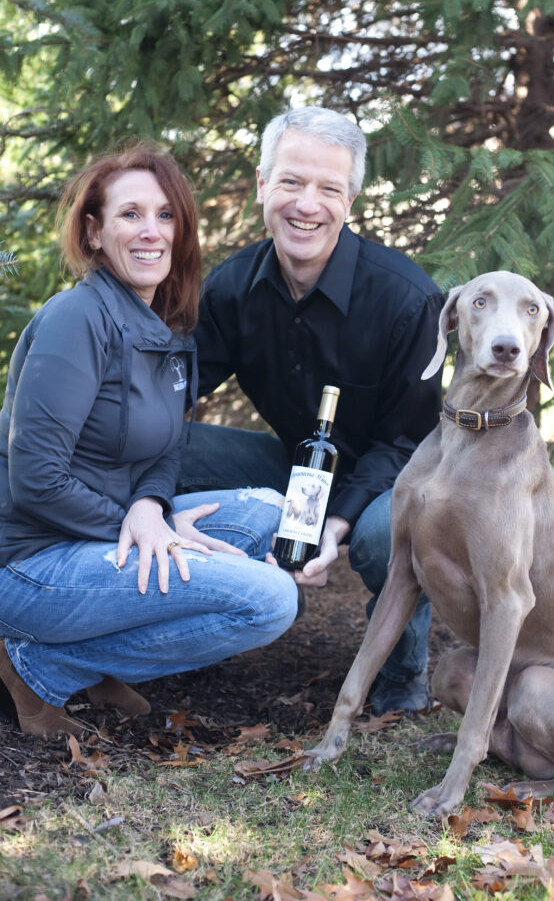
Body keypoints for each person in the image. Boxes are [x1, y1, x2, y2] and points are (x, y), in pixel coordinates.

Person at [0, 143, 299, 738]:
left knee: (271, 510)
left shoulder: (164, 330)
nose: (151, 232)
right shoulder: (75, 320)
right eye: (130, 215)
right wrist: (133, 527)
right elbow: (35, 477)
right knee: (271, 600)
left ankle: (87, 656)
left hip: (107, 535)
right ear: (93, 233)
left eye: (165, 216)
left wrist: (150, 507)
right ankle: (39, 662)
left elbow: (166, 452)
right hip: (30, 564)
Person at [178, 107, 444, 714]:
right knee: (166, 449)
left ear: (350, 200)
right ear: (261, 185)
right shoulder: (231, 287)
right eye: (292, 182)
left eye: (329, 188)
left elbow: (410, 442)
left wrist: (338, 523)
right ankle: (201, 599)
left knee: (385, 537)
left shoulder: (407, 299)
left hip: (389, 479)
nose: (307, 204)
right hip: (294, 467)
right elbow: (173, 385)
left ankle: (400, 676)